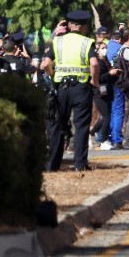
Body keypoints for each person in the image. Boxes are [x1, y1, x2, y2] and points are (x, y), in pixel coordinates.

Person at [43, 10, 101, 172]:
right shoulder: (87, 42)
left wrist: (54, 76)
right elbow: (94, 64)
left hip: (61, 88)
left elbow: (45, 64)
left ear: (69, 25)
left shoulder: (57, 42)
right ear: (84, 27)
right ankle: (79, 164)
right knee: (81, 125)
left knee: (57, 124)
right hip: (81, 88)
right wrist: (94, 81)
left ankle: (52, 165)